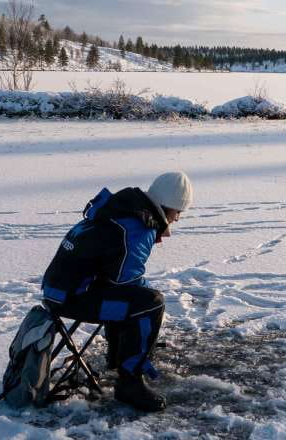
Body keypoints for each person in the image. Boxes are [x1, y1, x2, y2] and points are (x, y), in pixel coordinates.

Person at [40, 171, 193, 412]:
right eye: (179, 213)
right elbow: (124, 281)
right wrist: (146, 298)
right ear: (170, 208)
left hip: (57, 290)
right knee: (150, 303)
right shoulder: (138, 227)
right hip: (70, 299)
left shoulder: (120, 210)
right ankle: (130, 382)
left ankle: (117, 357)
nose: (177, 219)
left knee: (130, 297)